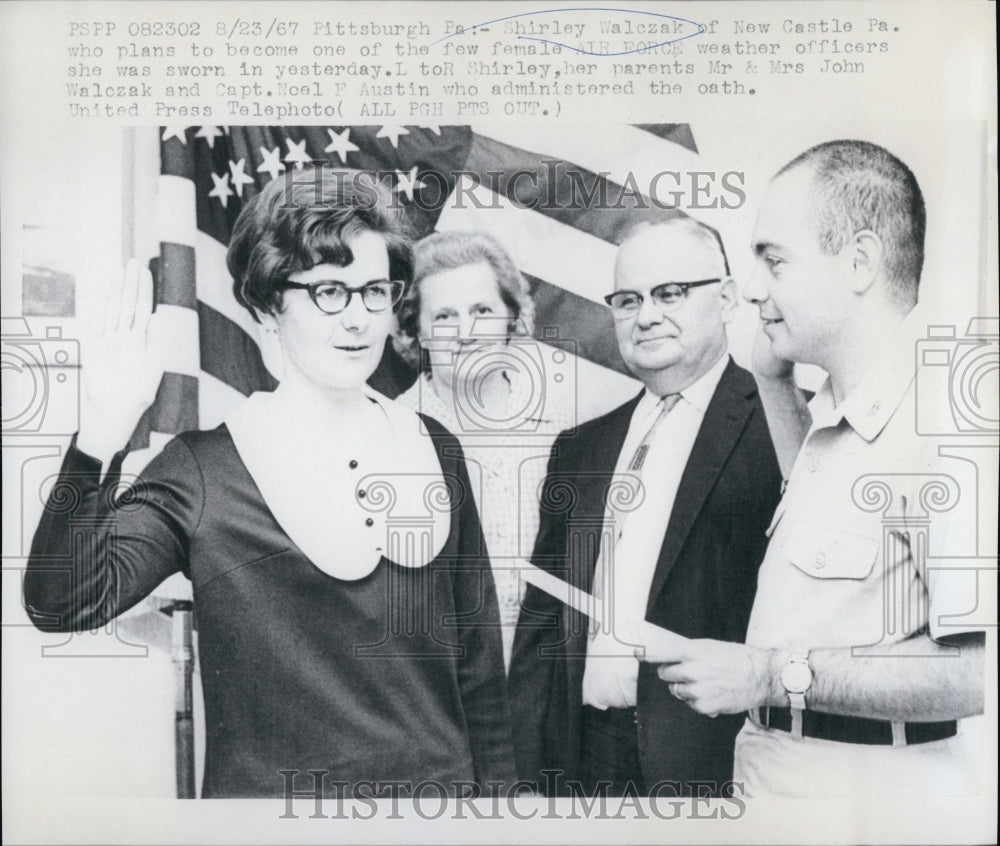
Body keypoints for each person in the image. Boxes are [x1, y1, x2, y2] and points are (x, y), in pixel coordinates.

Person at [24, 169, 515, 798]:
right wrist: (98, 438)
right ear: (267, 305)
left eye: (373, 292)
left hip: (438, 816)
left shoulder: (436, 449)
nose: (359, 319)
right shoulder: (202, 469)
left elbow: (479, 673)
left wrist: (502, 812)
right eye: (329, 292)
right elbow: (61, 601)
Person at [640, 140, 986, 798]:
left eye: (773, 259)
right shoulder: (844, 404)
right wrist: (773, 380)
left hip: (868, 813)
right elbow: (842, 533)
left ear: (858, 261)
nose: (752, 288)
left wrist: (769, 676)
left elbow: (980, 674)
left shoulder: (947, 420)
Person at [508, 216, 783, 797]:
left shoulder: (787, 430)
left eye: (671, 293)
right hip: (581, 759)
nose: (647, 315)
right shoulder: (581, 448)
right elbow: (542, 628)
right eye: (629, 299)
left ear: (728, 297)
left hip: (718, 763)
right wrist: (527, 773)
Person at [394, 230, 572, 669]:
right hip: (434, 687)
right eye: (445, 316)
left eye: (482, 310)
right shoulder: (389, 434)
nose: (466, 333)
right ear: (416, 330)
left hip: (541, 684)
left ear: (513, 317)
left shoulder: (562, 432)